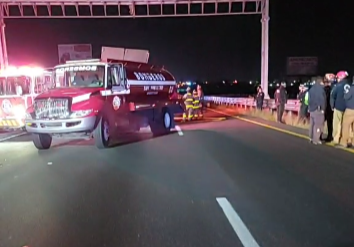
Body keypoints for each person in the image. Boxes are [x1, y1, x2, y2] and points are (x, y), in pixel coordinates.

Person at [330, 71, 349, 144]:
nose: (337, 79)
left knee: (336, 123)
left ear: (341, 77)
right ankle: (344, 139)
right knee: (345, 125)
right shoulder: (350, 85)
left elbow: (332, 96)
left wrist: (332, 106)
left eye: (338, 77)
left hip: (338, 107)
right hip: (348, 108)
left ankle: (336, 139)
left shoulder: (338, 86)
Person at [308, 76, 326, 144]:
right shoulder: (321, 89)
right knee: (318, 125)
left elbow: (308, 99)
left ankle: (311, 137)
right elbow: (322, 100)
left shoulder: (311, 89)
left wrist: (309, 108)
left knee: (312, 124)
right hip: (318, 109)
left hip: (312, 109)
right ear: (321, 82)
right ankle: (316, 139)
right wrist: (323, 109)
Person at [339, 79, 354, 147]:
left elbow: (346, 97)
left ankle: (344, 142)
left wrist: (345, 93)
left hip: (350, 109)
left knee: (345, 125)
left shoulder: (351, 88)